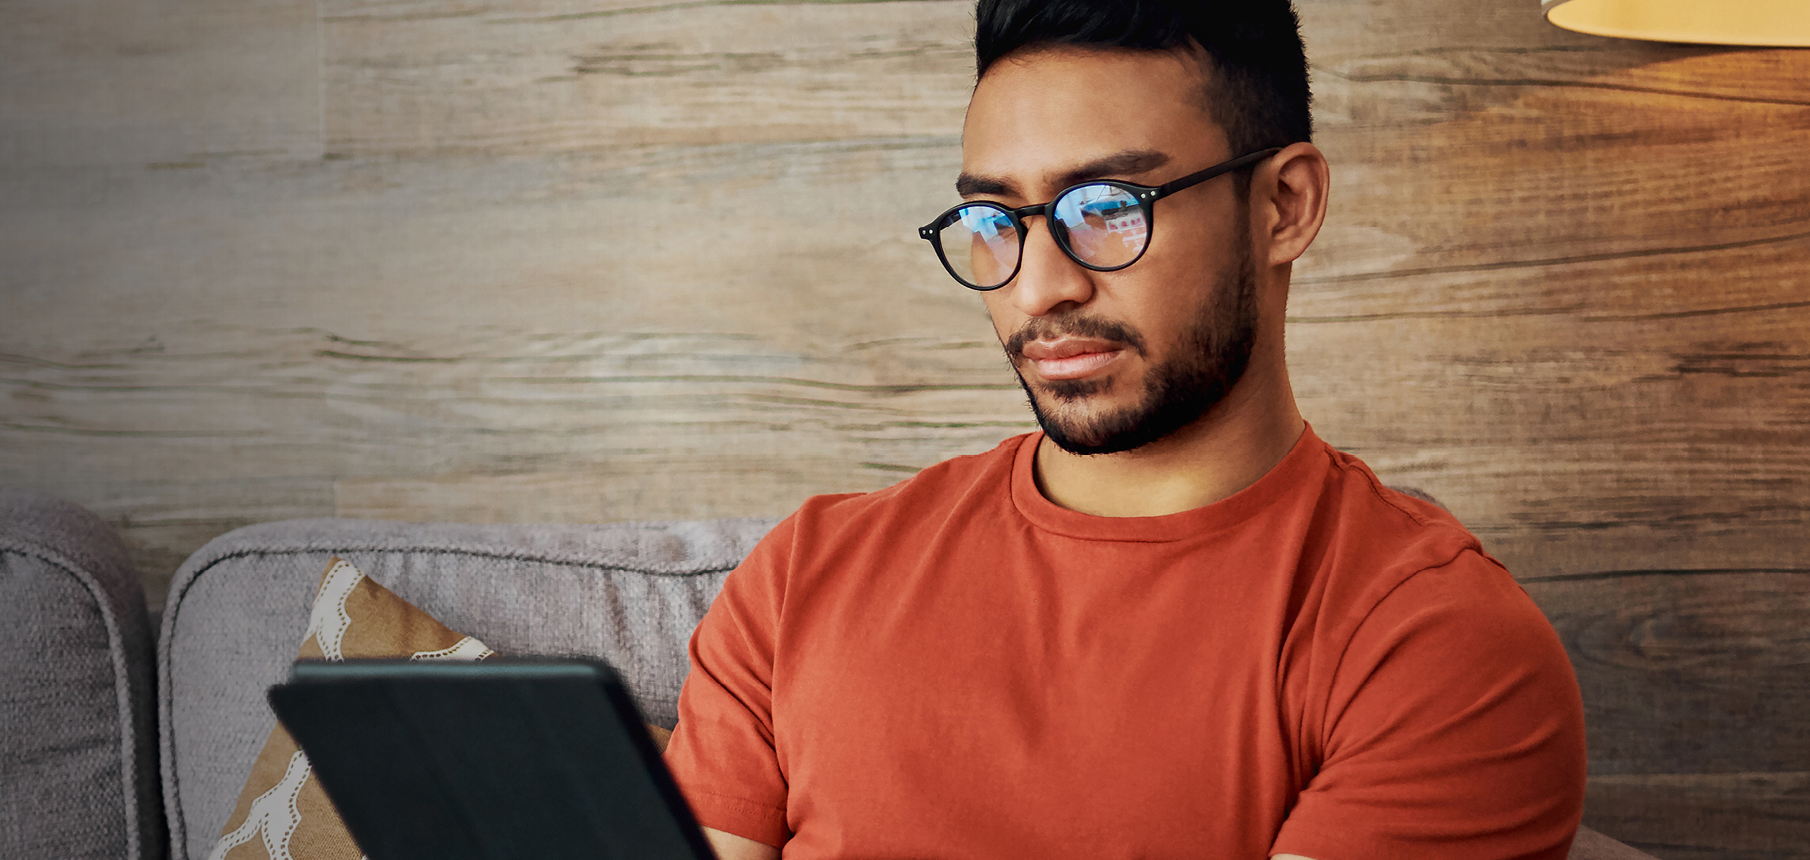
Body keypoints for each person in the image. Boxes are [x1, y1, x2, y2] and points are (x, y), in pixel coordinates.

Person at [659, 1, 1589, 858]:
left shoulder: (1435, 646)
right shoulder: (801, 580)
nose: (1037, 288)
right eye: (995, 220)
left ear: (1284, 206)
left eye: (1106, 208)